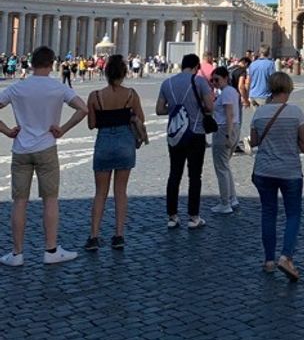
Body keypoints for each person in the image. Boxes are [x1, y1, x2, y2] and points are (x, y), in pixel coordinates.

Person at [0, 45, 88, 266]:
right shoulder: (57, 87)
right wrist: (63, 129)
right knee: (50, 199)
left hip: (21, 149)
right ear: (51, 64)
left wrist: (7, 130)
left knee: (19, 202)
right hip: (47, 147)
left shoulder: (18, 87)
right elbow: (83, 109)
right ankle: (50, 250)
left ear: (31, 64)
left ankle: (17, 253)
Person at [250, 71, 304, 278]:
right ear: (288, 89)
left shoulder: (259, 113)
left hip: (264, 170)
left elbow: (254, 141)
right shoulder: (296, 112)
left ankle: (269, 260)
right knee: (293, 214)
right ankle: (286, 256)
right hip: (290, 171)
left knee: (268, 213)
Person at [84, 53, 148, 252]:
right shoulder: (131, 94)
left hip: (104, 143)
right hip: (125, 143)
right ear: (124, 74)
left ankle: (94, 236)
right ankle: (119, 235)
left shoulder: (95, 96)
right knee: (120, 191)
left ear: (105, 73)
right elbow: (141, 119)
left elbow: (92, 124)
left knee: (100, 192)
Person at [156, 53, 215, 229]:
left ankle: (172, 216)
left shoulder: (167, 83)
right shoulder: (199, 82)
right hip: (196, 132)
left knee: (174, 174)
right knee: (195, 176)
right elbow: (210, 107)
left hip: (175, 134)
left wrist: (175, 109)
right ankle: (193, 216)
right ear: (197, 67)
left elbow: (160, 109)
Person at [208, 65, 240, 215]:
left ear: (226, 78)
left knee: (220, 167)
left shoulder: (226, 93)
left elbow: (229, 115)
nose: (214, 83)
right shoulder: (231, 92)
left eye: (217, 80)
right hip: (232, 128)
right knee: (225, 166)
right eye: (212, 80)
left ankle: (225, 202)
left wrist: (228, 135)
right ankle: (232, 198)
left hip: (223, 130)